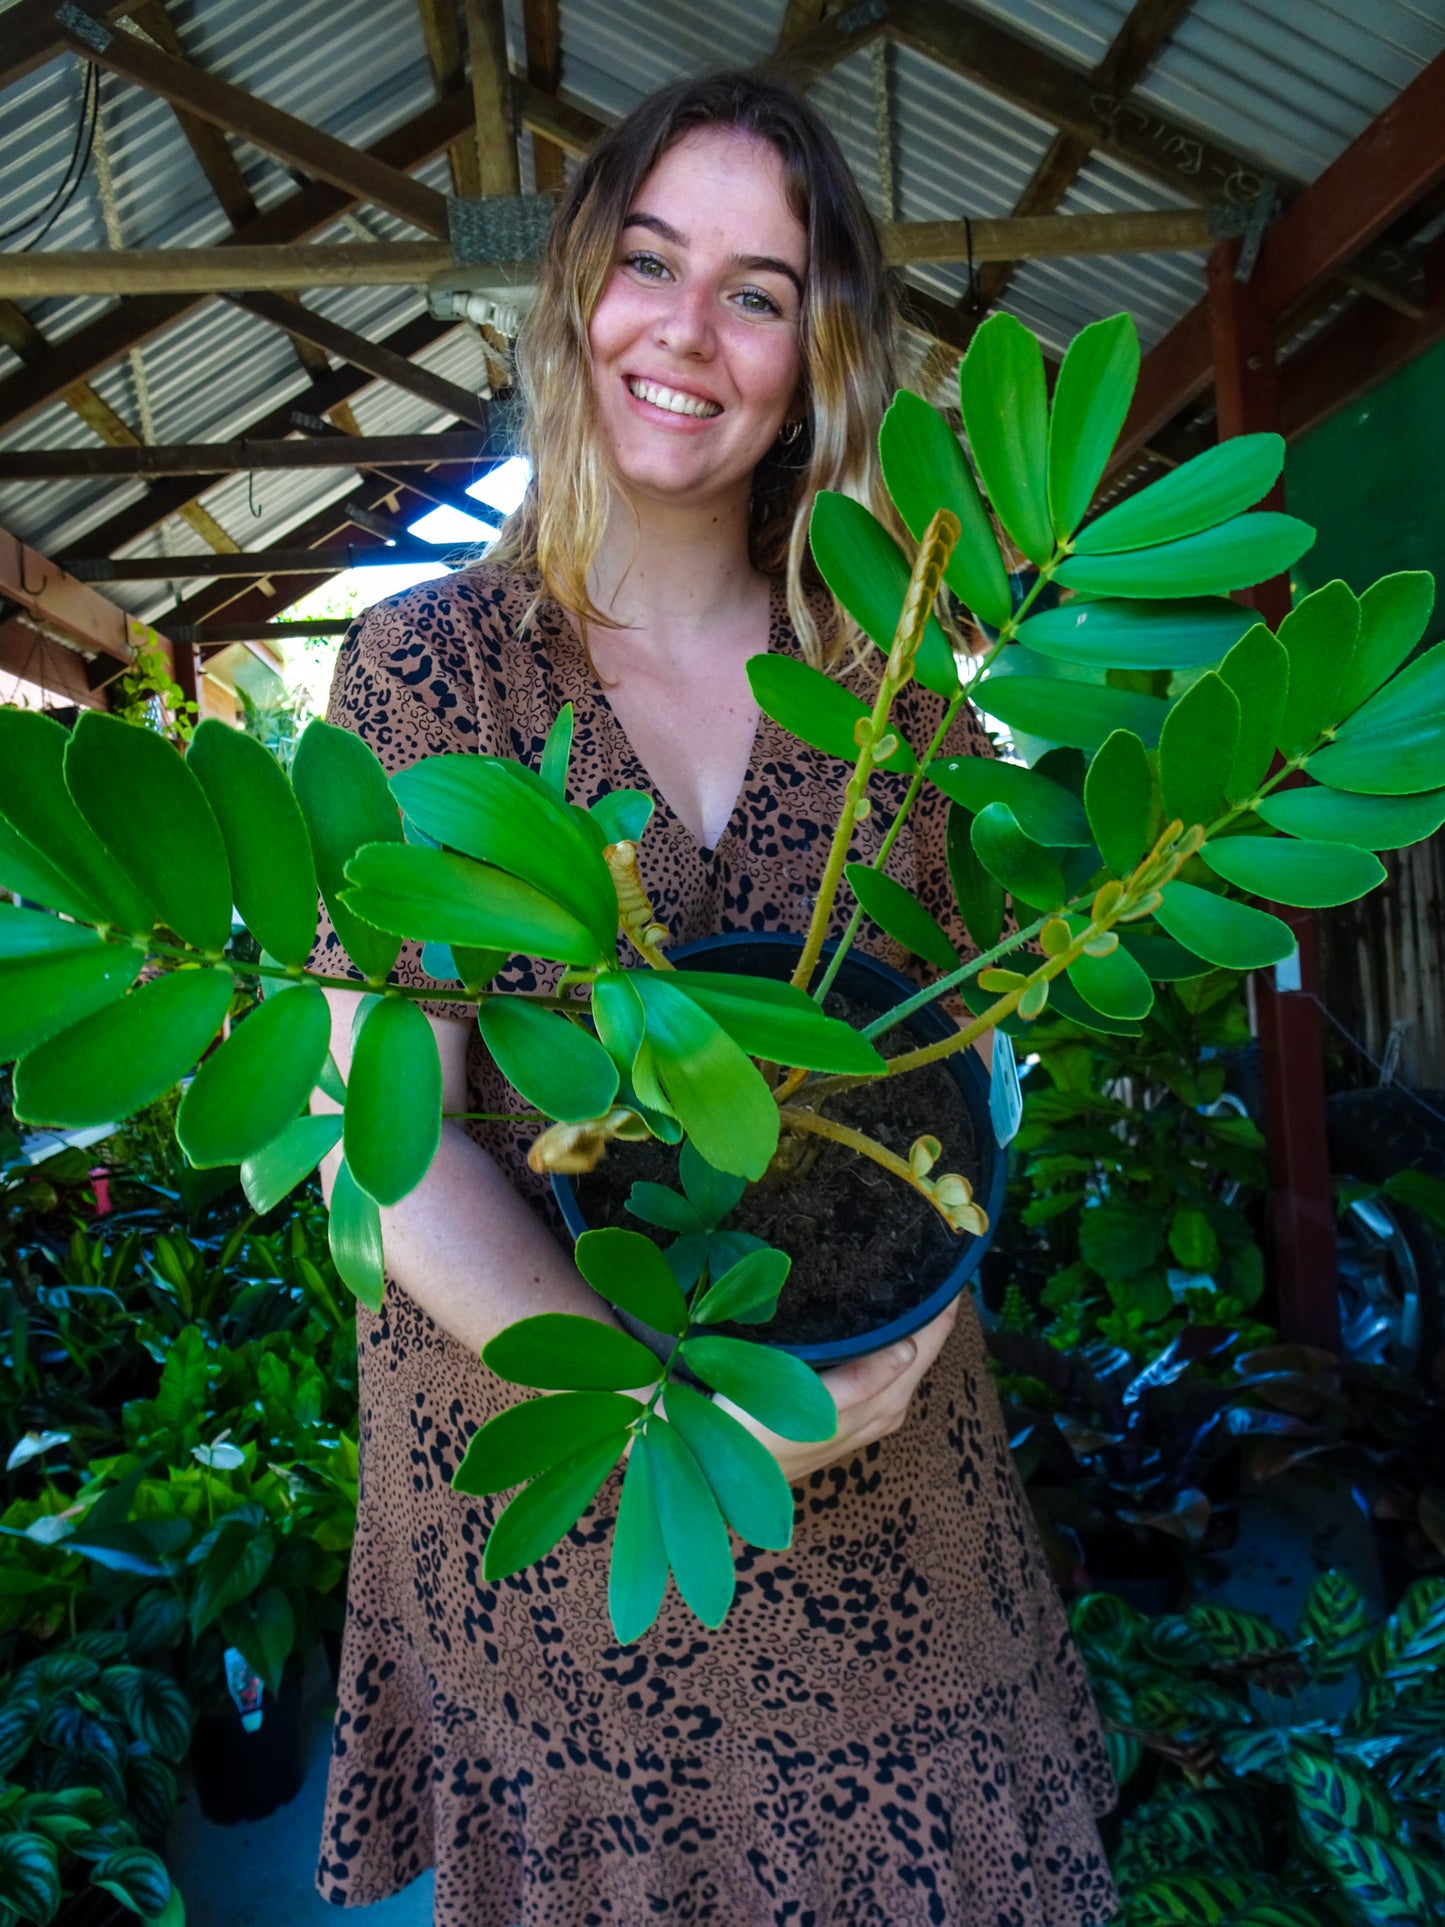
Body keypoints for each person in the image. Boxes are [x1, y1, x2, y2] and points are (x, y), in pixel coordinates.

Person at [311, 69, 1117, 1927]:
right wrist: (667, 1393)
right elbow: (393, 1133)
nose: (686, 334)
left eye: (755, 291)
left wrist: (917, 1314)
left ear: (813, 354)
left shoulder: (894, 677)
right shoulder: (430, 667)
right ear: (575, 290)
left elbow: (960, 1047)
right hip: (569, 1467)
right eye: (651, 264)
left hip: (879, 1447)